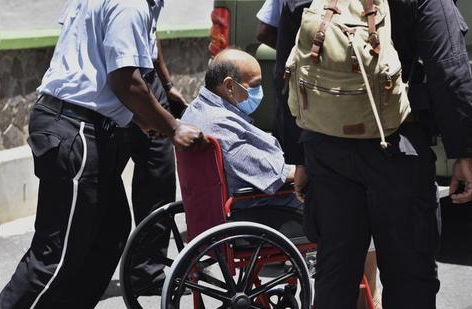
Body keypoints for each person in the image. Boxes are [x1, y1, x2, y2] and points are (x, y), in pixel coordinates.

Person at [0, 0, 204, 308]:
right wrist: (173, 128)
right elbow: (126, 81)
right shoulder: (131, 5)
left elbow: (93, 67)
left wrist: (142, 118)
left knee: (108, 234)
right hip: (76, 128)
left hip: (87, 125)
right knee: (54, 258)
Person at [291, 0, 472, 308]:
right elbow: (449, 70)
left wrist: (298, 153)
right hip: (398, 149)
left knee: (334, 273)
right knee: (410, 277)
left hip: (326, 149)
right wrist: (464, 150)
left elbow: (290, 68)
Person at [256, 1, 381, 307]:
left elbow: (269, 41)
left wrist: (320, 49)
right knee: (400, 253)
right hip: (385, 130)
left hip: (321, 133)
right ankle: (371, 299)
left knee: (335, 256)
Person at [181, 49, 305, 233]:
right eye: (254, 85)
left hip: (237, 203)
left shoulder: (196, 109)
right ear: (229, 85)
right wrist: (312, 170)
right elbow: (274, 173)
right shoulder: (219, 125)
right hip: (256, 210)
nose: (259, 93)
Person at [121, 38, 189, 295]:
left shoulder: (150, 8)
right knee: (101, 189)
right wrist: (174, 128)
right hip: (121, 81)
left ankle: (148, 272)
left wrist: (166, 83)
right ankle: (80, 267)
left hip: (148, 79)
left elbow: (152, 35)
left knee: (158, 179)